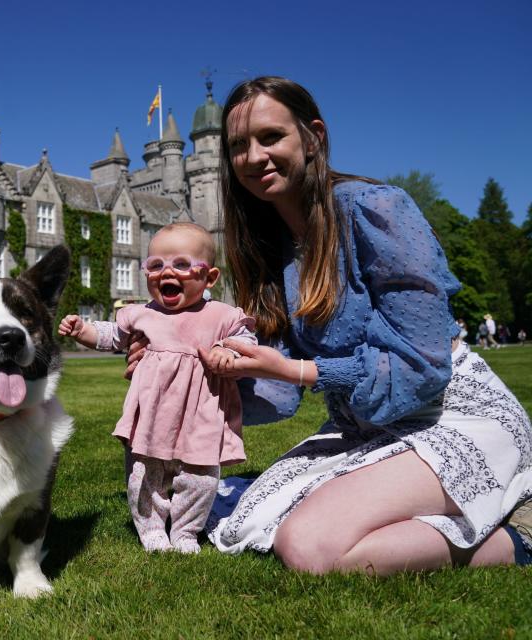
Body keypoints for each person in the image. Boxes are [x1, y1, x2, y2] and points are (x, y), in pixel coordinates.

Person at [128, 77, 532, 574]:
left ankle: (522, 533)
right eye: (237, 146)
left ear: (313, 137)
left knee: (310, 547)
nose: (254, 157)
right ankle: (452, 505)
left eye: (270, 137)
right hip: (364, 429)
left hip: (451, 414)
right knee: (231, 514)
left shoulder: (376, 210)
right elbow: (275, 394)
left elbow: (422, 365)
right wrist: (184, 374)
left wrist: (301, 370)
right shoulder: (265, 247)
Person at [59, 222, 256, 553]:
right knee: (145, 474)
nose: (167, 272)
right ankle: (151, 529)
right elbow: (112, 336)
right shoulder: (141, 314)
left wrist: (228, 348)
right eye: (156, 265)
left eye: (181, 264)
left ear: (209, 278)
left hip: (201, 414)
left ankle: (185, 531)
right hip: (152, 415)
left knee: (201, 477)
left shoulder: (222, 315)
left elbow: (246, 339)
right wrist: (83, 330)